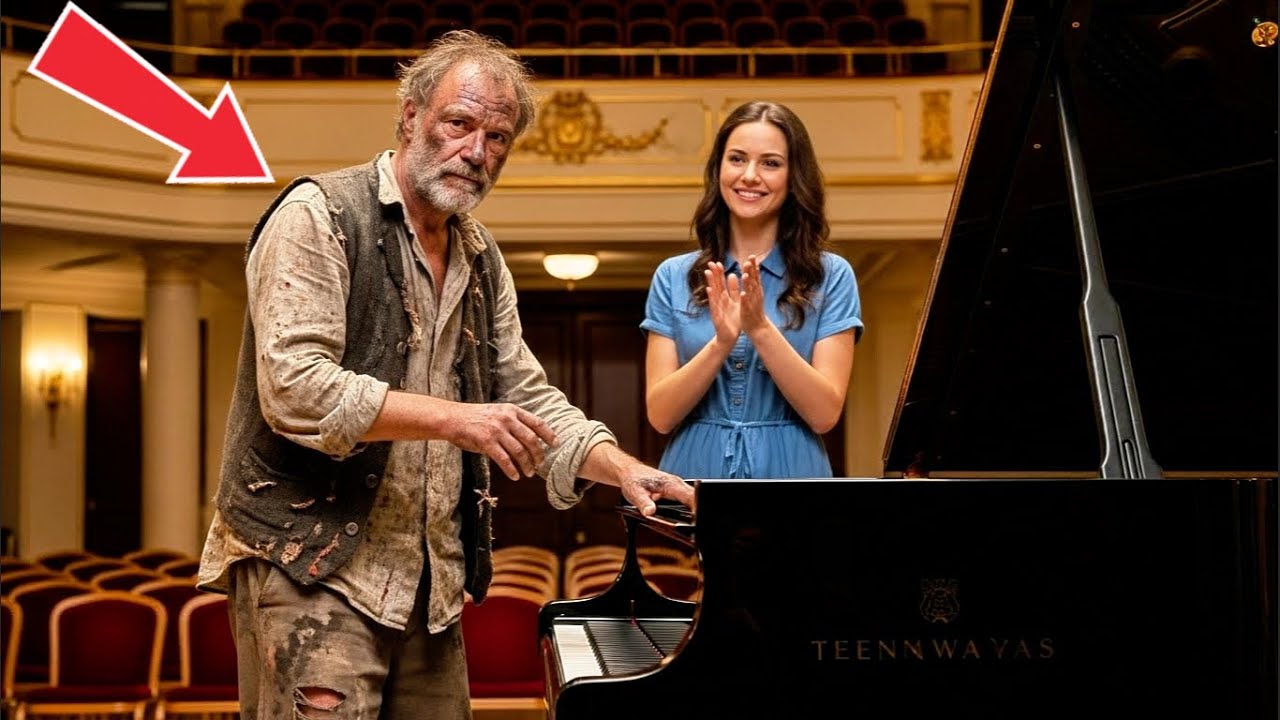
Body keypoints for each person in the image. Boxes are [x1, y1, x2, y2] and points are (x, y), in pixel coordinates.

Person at [196, 30, 694, 720]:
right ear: (409, 116)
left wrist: (621, 468)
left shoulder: (479, 254)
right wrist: (459, 417)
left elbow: (522, 393)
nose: (477, 152)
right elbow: (296, 389)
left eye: (497, 138)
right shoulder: (319, 215)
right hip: (306, 567)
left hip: (429, 588)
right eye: (459, 123)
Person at [641, 101, 863, 480]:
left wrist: (759, 329)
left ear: (794, 177)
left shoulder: (831, 275)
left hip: (794, 473)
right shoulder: (672, 276)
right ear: (718, 170)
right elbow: (660, 416)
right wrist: (721, 343)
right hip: (693, 477)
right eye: (737, 159)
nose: (750, 176)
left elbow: (825, 414)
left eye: (771, 163)